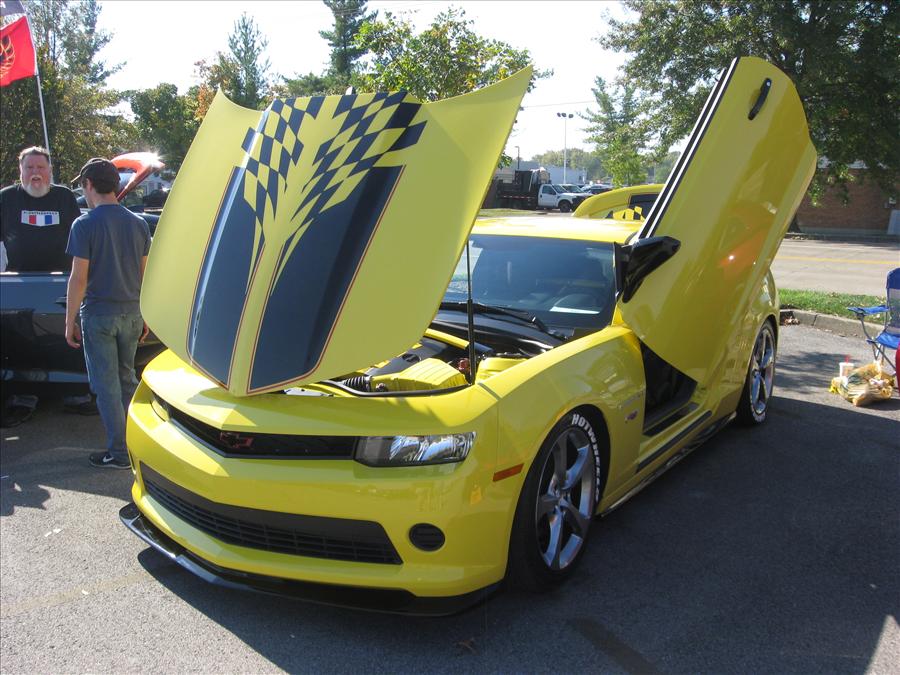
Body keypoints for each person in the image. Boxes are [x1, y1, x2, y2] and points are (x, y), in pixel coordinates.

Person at [65, 157, 151, 469]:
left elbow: (79, 278)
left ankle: (118, 453)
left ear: (88, 185)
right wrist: (145, 315)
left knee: (106, 388)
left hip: (99, 315)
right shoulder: (139, 223)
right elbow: (145, 275)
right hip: (132, 313)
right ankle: (140, 447)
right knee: (127, 380)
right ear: (116, 185)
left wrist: (69, 320)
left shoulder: (84, 224)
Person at [0, 146, 96, 424]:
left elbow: (81, 239)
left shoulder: (64, 197)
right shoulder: (7, 198)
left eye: (40, 168)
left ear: (50, 171)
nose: (35, 173)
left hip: (63, 283)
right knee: (21, 342)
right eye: (29, 168)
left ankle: (75, 395)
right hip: (21, 284)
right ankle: (23, 397)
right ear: (20, 171)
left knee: (67, 339)